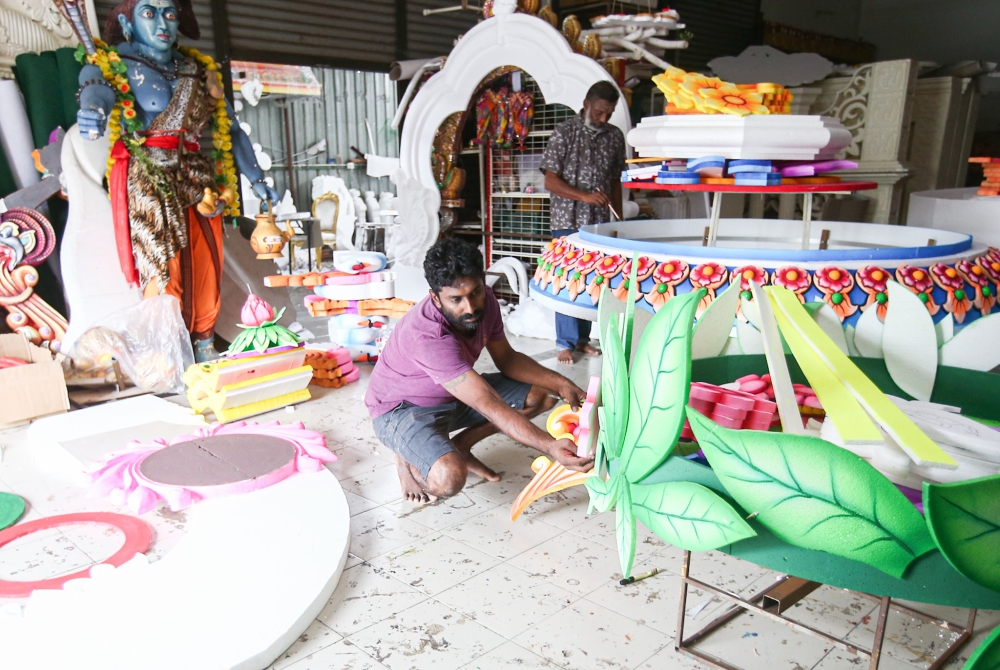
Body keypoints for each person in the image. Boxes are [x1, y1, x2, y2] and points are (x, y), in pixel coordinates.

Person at [75, 0, 277, 361]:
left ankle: (202, 343)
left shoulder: (198, 69)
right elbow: (96, 88)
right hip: (148, 174)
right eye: (148, 13)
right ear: (127, 21)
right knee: (160, 263)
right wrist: (93, 111)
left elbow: (230, 128)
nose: (161, 23)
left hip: (197, 176)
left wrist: (256, 178)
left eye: (169, 13)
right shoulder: (114, 63)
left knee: (207, 261)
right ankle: (167, 352)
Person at [365, 239, 595, 503]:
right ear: (435, 298)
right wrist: (549, 445)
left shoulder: (487, 302)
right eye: (456, 299)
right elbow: (488, 403)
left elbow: (507, 359)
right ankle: (404, 457)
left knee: (543, 394)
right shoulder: (427, 335)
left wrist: (561, 384)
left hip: (452, 396)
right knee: (447, 479)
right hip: (401, 410)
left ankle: (461, 446)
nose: (470, 307)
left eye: (474, 293)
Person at [540, 80, 626, 364]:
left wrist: (620, 220)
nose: (604, 118)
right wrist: (585, 197)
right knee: (567, 281)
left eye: (609, 113)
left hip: (600, 224)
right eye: (600, 111)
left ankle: (582, 340)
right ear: (586, 104)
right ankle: (564, 342)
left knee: (592, 281)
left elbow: (615, 180)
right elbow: (550, 181)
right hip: (568, 220)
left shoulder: (614, 136)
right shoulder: (564, 133)